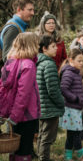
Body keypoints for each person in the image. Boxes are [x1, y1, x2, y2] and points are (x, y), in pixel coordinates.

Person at [0, 32, 40, 161]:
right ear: (31, 45)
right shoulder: (29, 65)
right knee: (24, 149)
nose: (38, 46)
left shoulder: (10, 62)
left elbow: (2, 89)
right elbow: (23, 95)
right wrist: (15, 117)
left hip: (13, 114)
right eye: (37, 43)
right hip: (26, 115)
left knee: (15, 148)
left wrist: (6, 113)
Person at [36, 35, 65, 161]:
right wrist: (61, 102)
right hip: (49, 108)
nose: (56, 49)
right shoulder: (49, 64)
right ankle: (44, 158)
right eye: (53, 46)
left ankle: (41, 157)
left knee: (42, 136)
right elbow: (53, 90)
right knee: (47, 139)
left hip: (42, 106)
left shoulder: (39, 62)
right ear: (44, 49)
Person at [59, 49, 83, 160]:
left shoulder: (75, 72)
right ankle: (81, 155)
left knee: (71, 133)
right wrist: (75, 98)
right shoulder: (69, 73)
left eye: (82, 61)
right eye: (79, 60)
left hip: (75, 108)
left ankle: (68, 156)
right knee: (77, 133)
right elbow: (63, 88)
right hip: (71, 109)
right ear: (71, 60)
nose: (81, 63)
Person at [0, 0, 34, 68]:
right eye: (30, 10)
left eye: (33, 10)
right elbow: (7, 58)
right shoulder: (13, 28)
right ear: (19, 9)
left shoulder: (20, 26)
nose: (32, 13)